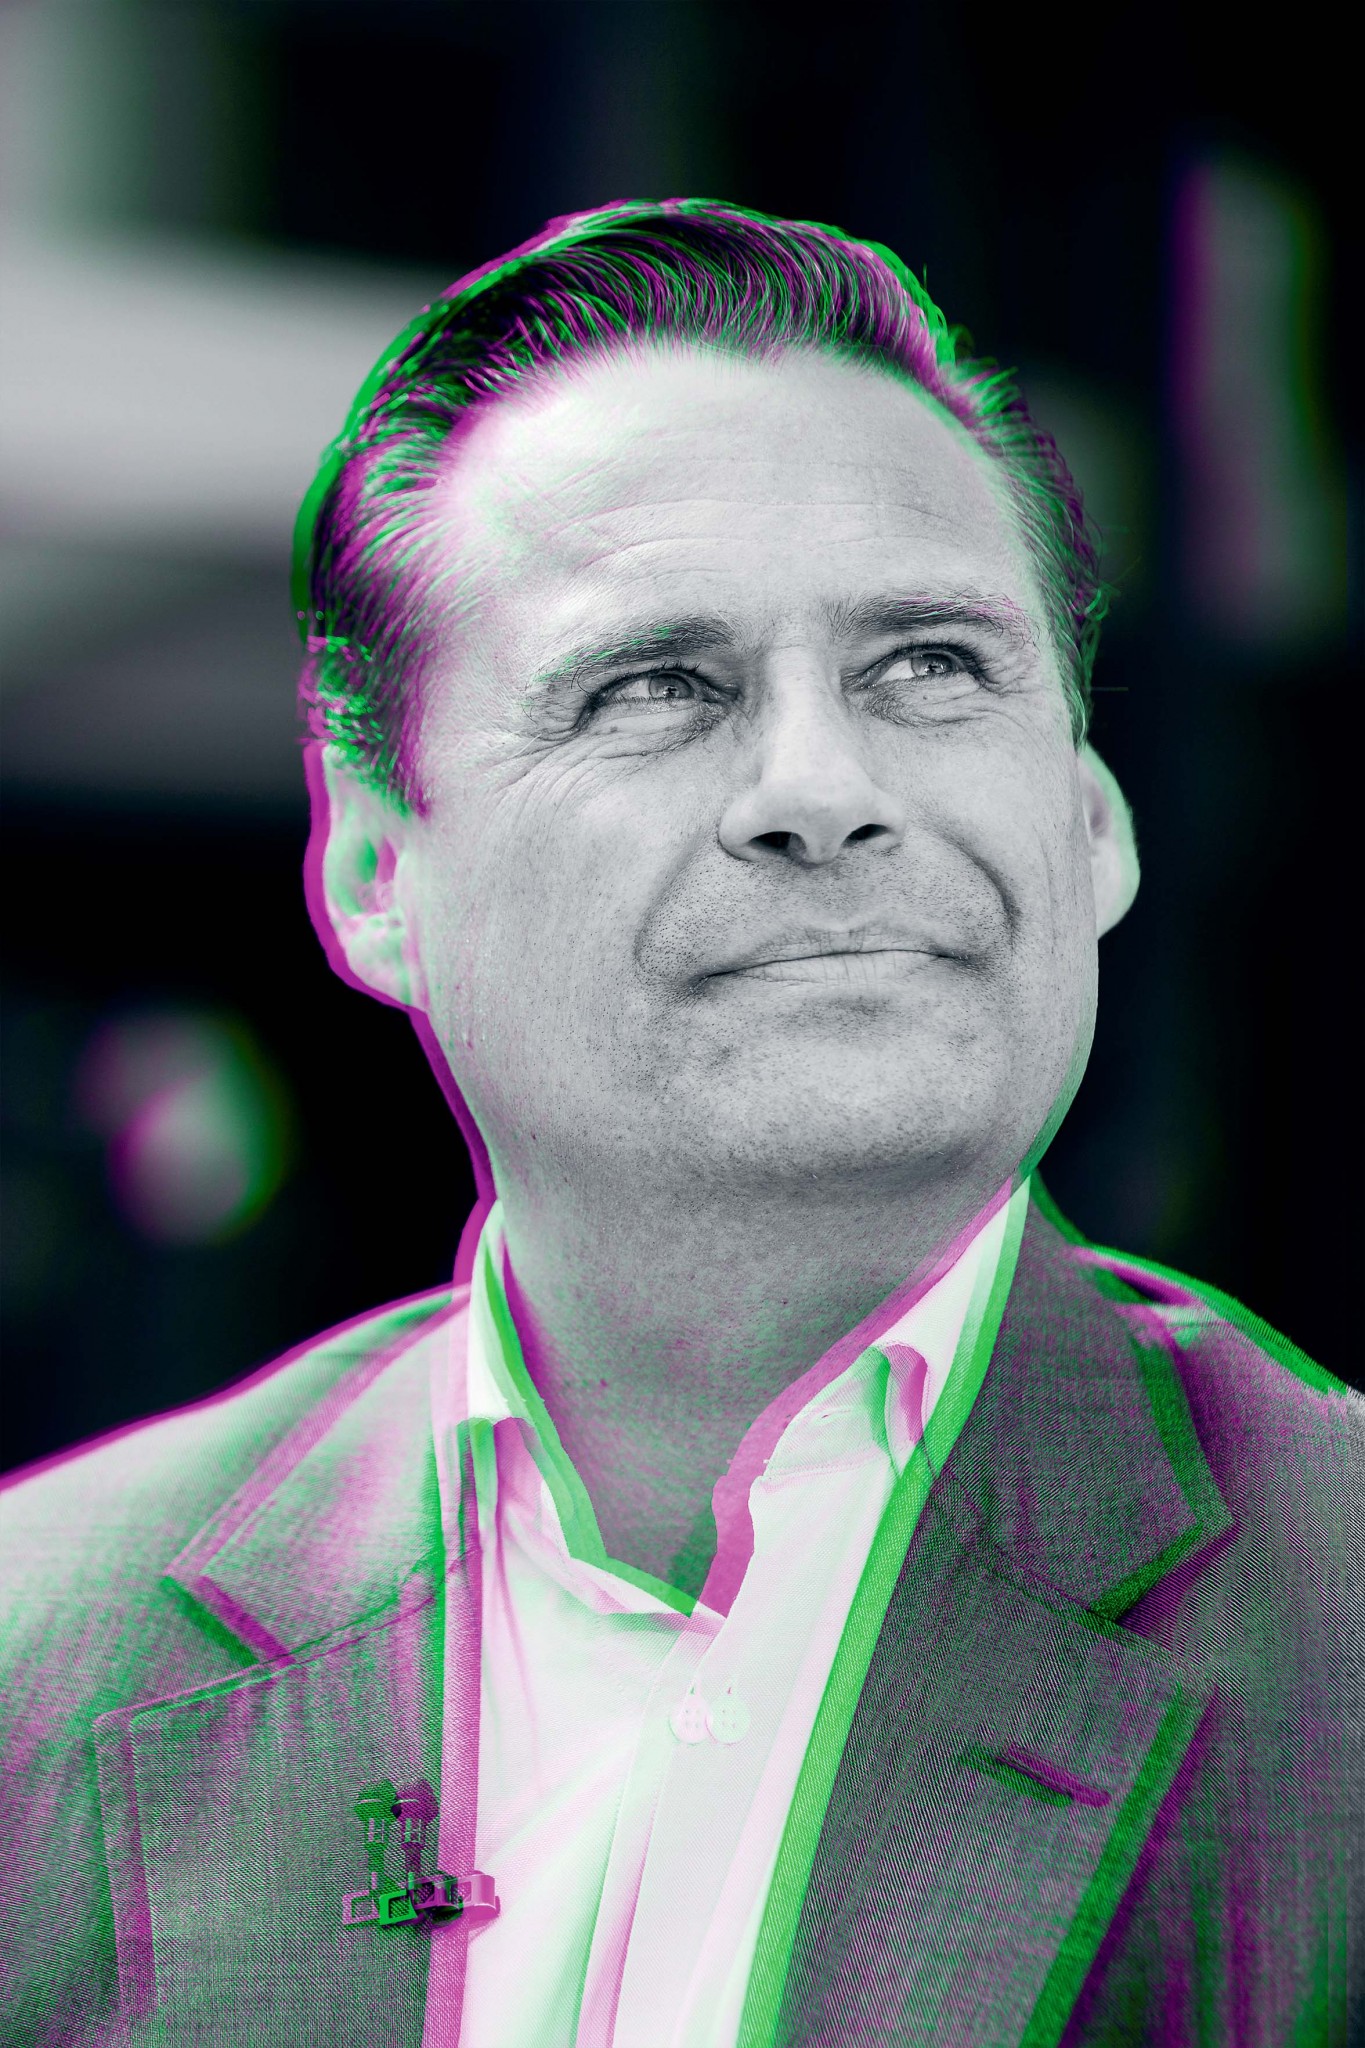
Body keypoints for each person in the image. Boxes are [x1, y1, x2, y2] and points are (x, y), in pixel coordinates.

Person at [2, 199, 1359, 2048]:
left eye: (929, 667)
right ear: (375, 870)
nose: (821, 786)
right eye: (657, 687)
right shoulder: (35, 1670)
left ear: (1091, 820)